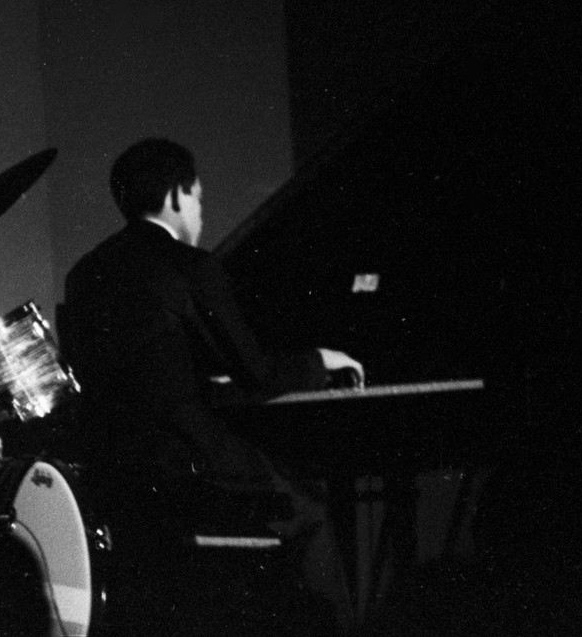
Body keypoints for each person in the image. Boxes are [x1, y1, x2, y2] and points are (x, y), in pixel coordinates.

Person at [62, 138, 362, 628]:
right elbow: (257, 375)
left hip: (116, 473)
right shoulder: (192, 266)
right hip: (187, 468)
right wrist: (320, 360)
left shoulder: (84, 273)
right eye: (198, 198)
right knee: (308, 509)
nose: (200, 213)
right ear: (176, 196)